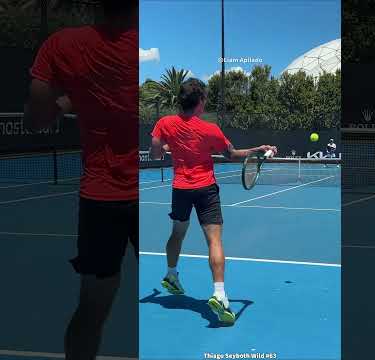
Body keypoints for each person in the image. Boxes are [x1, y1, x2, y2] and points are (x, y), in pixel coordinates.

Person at [24, 1, 139, 359]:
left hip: (100, 200)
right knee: (168, 291)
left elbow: (35, 120)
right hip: (149, 200)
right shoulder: (150, 51)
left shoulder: (62, 45)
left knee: (91, 308)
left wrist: (67, 101)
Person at [150, 78, 277, 324]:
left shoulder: (164, 123)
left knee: (177, 233)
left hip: (180, 189)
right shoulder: (210, 129)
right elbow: (231, 155)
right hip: (205, 189)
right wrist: (258, 149)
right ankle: (219, 294)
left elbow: (156, 152)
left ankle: (171, 274)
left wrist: (167, 146)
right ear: (200, 102)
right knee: (214, 240)